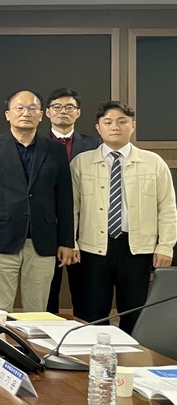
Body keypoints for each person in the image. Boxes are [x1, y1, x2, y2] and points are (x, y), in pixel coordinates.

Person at [70, 101, 175, 334]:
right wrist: (71, 242)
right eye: (108, 122)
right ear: (98, 128)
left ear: (133, 125)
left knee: (134, 313)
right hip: (92, 249)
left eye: (122, 121)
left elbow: (168, 208)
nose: (115, 127)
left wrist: (165, 246)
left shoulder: (153, 163)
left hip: (137, 249)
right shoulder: (82, 163)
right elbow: (72, 208)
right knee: (93, 314)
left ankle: (132, 355)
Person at [0, 90, 75, 313]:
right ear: (7, 114)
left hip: (43, 241)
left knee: (37, 310)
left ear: (41, 115)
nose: (26, 113)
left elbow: (65, 198)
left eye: (32, 108)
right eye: (19, 108)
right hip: (0, 240)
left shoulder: (55, 150)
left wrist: (67, 241)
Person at [42, 87, 101, 314]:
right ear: (47, 112)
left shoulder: (95, 144)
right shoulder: (38, 144)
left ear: (78, 112)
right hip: (48, 227)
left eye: (69, 107)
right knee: (47, 294)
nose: (63, 111)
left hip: (84, 227)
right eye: (57, 107)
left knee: (85, 295)